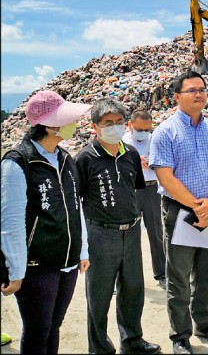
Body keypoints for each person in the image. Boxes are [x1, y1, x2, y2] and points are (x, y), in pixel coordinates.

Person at [1, 90, 91, 354]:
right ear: (50, 126)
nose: (75, 124)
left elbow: (76, 207)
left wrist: (82, 250)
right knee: (38, 329)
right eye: (68, 119)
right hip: (37, 265)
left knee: (54, 326)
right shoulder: (18, 163)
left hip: (68, 262)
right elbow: (11, 221)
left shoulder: (65, 159)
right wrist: (16, 269)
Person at [149, 71, 208, 355]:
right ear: (177, 97)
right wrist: (198, 206)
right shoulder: (165, 131)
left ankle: (205, 322)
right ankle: (180, 335)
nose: (199, 94)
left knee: (207, 274)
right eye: (192, 90)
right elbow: (165, 176)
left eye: (202, 89)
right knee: (180, 277)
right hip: (180, 211)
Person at [74, 98, 160, 354]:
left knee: (133, 290)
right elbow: (76, 202)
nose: (115, 127)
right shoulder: (85, 159)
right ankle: (99, 347)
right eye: (107, 123)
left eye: (119, 122)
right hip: (100, 234)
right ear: (95, 127)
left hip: (131, 231)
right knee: (99, 296)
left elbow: (133, 189)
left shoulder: (130, 153)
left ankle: (132, 341)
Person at [122, 109, 166, 290]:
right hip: (130, 190)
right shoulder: (122, 141)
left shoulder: (156, 139)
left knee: (156, 232)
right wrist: (134, 163)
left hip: (151, 188)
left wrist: (152, 163)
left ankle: (162, 273)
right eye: (139, 129)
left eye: (147, 129)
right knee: (128, 234)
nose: (143, 133)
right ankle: (126, 277)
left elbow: (166, 164)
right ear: (130, 125)